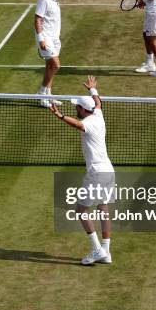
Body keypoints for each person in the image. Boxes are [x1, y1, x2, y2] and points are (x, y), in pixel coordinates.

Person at [49, 76, 114, 265]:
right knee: (103, 208)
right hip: (108, 170)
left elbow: (77, 124)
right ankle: (106, 251)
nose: (75, 108)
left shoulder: (90, 123)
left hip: (96, 172)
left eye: (77, 107)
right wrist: (93, 90)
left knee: (80, 210)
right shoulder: (98, 115)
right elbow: (99, 103)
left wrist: (60, 115)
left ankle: (96, 250)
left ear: (83, 110)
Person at [35, 0, 72, 107]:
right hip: (46, 38)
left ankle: (49, 96)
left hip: (54, 38)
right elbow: (38, 19)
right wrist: (41, 40)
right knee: (56, 65)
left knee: (50, 67)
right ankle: (41, 94)